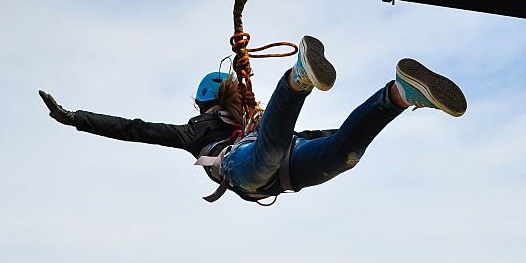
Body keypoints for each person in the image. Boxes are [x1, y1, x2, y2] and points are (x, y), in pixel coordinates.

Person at [39, 36, 465, 203]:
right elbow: (133, 129)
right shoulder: (198, 132)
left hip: (278, 163)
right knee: (273, 144)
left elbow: (300, 135)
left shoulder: (255, 122)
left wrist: (344, 133)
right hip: (244, 167)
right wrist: (74, 117)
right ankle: (297, 79)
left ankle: (398, 94)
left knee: (344, 156)